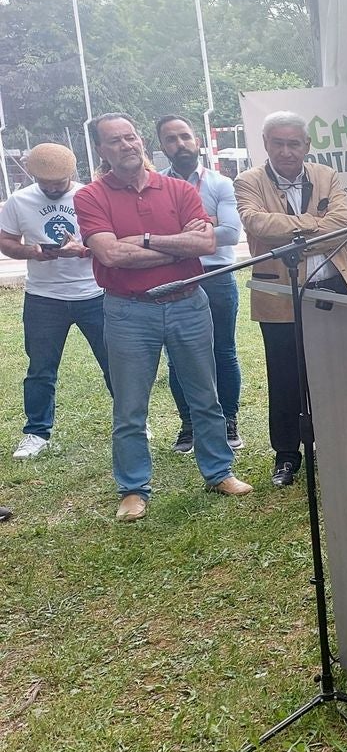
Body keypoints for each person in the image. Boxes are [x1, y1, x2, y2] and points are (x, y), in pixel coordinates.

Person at [73, 114, 251, 523]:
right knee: (131, 404)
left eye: (131, 137)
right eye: (115, 141)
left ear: (140, 141)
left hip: (189, 302)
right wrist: (177, 249)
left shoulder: (176, 189)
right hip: (128, 311)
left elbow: (206, 241)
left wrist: (147, 241)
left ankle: (218, 472)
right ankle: (133, 489)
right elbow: (110, 254)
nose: (126, 145)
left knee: (205, 395)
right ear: (101, 150)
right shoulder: (90, 197)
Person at [235, 111, 347, 487]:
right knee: (285, 376)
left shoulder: (326, 175)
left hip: (333, 289)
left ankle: (336, 448)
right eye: (279, 143)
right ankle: (287, 456)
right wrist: (313, 225)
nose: (287, 151)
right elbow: (258, 224)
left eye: (295, 143)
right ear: (266, 144)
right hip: (280, 294)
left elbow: (343, 225)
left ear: (307, 145)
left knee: (336, 374)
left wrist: (293, 234)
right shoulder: (248, 181)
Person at [0, 142, 112, 458]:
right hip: (43, 298)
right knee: (40, 368)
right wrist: (31, 251)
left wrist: (85, 249)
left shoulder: (89, 196)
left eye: (58, 183)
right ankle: (36, 432)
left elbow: (113, 240)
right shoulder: (19, 201)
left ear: (71, 174)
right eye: (44, 183)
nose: (51, 188)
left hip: (93, 292)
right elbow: (6, 241)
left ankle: (132, 421)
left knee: (114, 363)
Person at [157, 116, 245, 453]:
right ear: (162, 147)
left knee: (223, 351)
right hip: (173, 275)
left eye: (185, 137)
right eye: (171, 139)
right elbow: (152, 238)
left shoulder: (221, 184)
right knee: (178, 356)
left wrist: (174, 235)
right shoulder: (154, 186)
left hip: (217, 276)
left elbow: (230, 234)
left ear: (198, 141)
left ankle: (229, 422)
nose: (180, 144)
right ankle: (190, 424)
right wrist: (203, 227)